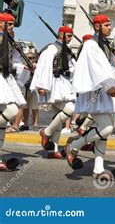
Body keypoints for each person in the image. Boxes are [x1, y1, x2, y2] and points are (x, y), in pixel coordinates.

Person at [65, 14, 115, 183]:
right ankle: (74, 146)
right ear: (97, 26)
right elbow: (98, 70)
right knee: (105, 128)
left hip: (104, 92)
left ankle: (98, 168)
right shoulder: (91, 45)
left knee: (107, 128)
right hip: (96, 93)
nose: (110, 27)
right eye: (107, 25)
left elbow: (108, 67)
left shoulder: (102, 44)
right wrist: (110, 87)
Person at [32, 26, 76, 159]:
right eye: (68, 36)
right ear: (61, 35)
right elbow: (43, 67)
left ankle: (54, 149)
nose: (70, 39)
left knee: (58, 117)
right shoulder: (51, 48)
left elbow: (72, 68)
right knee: (69, 109)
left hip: (63, 83)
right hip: (53, 83)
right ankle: (46, 132)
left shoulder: (66, 50)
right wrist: (42, 86)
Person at [0, 13, 27, 171]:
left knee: (3, 125)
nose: (12, 27)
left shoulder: (9, 40)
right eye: (9, 24)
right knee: (11, 110)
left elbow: (14, 62)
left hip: (6, 78)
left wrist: (26, 66)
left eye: (12, 24)